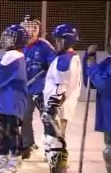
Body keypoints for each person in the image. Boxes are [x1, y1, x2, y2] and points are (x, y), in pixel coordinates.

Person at [0, 24, 28, 173]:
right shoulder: (11, 55)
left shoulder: (15, 56)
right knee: (4, 129)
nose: (7, 40)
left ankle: (15, 158)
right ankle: (3, 156)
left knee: (11, 129)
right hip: (7, 99)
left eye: (11, 38)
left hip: (14, 100)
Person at [42, 24, 82, 172]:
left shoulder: (64, 60)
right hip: (63, 107)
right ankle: (60, 166)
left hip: (59, 108)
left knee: (54, 141)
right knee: (52, 138)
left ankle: (58, 169)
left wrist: (52, 106)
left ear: (68, 41)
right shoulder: (71, 57)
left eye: (59, 41)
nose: (56, 43)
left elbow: (61, 85)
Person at [19, 14, 56, 159]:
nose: (29, 31)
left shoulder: (44, 46)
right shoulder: (20, 46)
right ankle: (27, 144)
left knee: (46, 117)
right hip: (27, 89)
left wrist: (49, 67)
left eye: (32, 28)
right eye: (26, 27)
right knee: (24, 116)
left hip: (41, 90)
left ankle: (52, 146)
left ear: (37, 29)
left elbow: (54, 64)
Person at [82, 37, 111, 173]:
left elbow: (105, 85)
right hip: (108, 114)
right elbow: (90, 81)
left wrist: (93, 68)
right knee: (109, 150)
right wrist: (89, 57)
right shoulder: (107, 62)